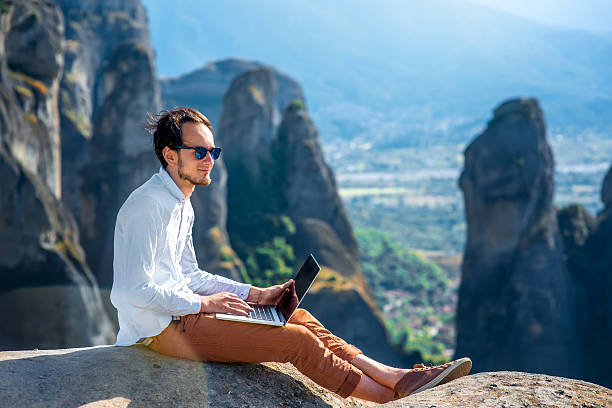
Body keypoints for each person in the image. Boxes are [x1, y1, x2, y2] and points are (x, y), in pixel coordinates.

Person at [110, 107, 472, 403]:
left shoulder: (180, 202)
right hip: (159, 329)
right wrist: (204, 306)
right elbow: (132, 291)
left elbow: (188, 274)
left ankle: (399, 377)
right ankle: (392, 401)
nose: (209, 161)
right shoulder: (149, 206)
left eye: (213, 152)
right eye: (199, 152)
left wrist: (257, 295)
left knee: (296, 315)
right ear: (170, 155)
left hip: (183, 313)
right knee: (295, 342)